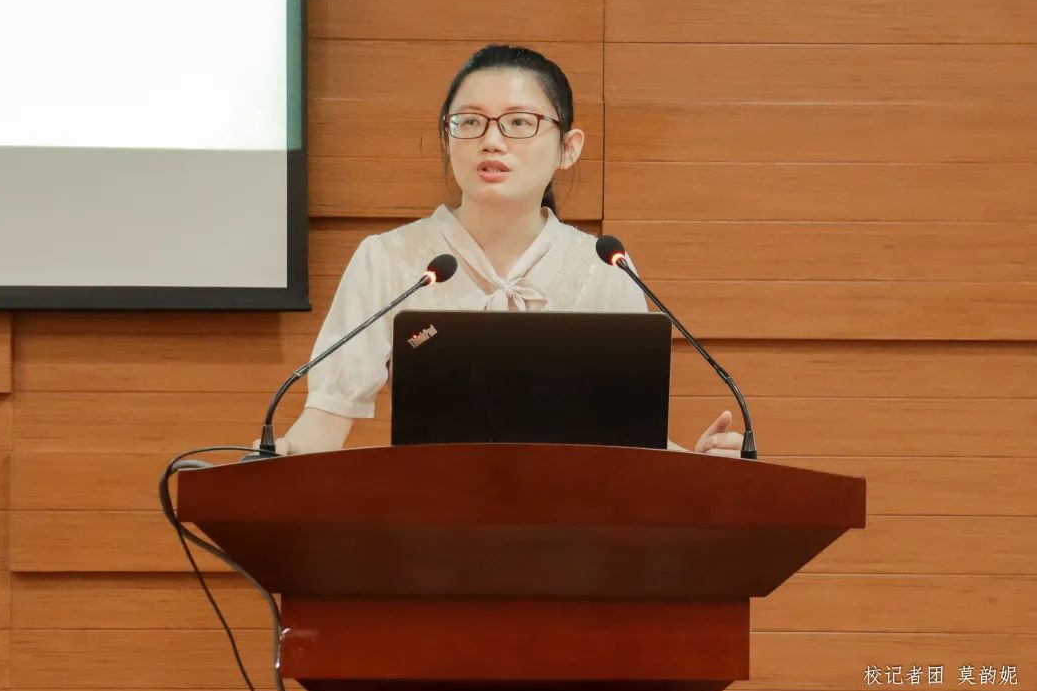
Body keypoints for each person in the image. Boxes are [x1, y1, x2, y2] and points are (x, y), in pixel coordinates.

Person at [270, 45, 745, 458]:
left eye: (519, 122)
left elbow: (632, 439)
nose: (492, 141)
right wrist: (277, 456)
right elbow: (324, 421)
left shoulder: (604, 266)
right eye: (470, 122)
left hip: (572, 521)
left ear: (568, 148)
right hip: (430, 517)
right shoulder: (390, 259)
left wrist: (698, 462)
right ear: (447, 138)